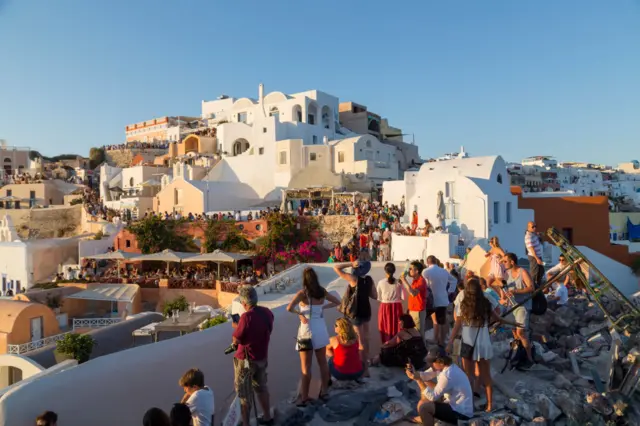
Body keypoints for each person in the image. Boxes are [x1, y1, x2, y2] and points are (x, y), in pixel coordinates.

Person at [448, 278, 519, 413]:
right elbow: (498, 319)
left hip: (468, 342)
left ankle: (470, 405)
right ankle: (490, 405)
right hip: (483, 342)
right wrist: (514, 324)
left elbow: (457, 324)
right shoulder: (485, 303)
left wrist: (450, 342)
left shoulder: (463, 304)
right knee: (486, 376)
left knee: (467, 376)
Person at [286, 268, 341, 406]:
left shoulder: (302, 294)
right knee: (323, 363)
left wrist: (299, 313)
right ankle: (325, 392)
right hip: (320, 330)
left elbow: (289, 308)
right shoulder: (322, 292)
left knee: (306, 367)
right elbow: (337, 302)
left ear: (305, 279)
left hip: (306, 331)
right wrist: (323, 307)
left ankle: (304, 397)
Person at [232, 285, 275, 426]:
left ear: (244, 303)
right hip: (262, 357)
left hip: (246, 360)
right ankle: (268, 417)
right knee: (262, 387)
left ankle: (246, 424)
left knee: (244, 393)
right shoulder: (267, 313)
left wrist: (237, 326)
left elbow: (236, 339)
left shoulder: (246, 317)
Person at [405, 348, 473, 425]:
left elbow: (432, 397)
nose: (429, 365)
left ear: (440, 362)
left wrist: (418, 380)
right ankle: (426, 418)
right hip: (453, 404)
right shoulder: (445, 367)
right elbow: (425, 376)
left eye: (431, 362)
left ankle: (428, 420)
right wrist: (414, 373)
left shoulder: (447, 375)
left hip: (461, 414)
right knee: (423, 399)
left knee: (424, 407)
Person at [333, 260, 377, 377]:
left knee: (360, 343)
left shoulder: (353, 279)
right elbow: (375, 296)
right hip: (366, 311)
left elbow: (336, 267)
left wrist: (350, 264)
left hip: (355, 313)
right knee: (366, 339)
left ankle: (364, 370)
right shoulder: (369, 280)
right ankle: (366, 365)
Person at [502, 253, 535, 367]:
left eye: (505, 261)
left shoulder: (523, 272)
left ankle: (529, 357)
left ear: (512, 262)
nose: (503, 263)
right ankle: (519, 353)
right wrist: (504, 298)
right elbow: (505, 289)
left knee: (521, 332)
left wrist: (516, 291)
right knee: (514, 332)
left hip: (523, 305)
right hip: (511, 306)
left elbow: (531, 288)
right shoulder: (507, 274)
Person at [422, 256, 457, 347]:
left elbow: (424, 285)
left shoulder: (426, 272)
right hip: (443, 299)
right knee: (443, 320)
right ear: (436, 261)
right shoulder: (444, 271)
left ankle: (436, 339)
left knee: (435, 320)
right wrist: (450, 291)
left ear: (427, 262)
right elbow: (454, 280)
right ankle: (442, 340)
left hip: (432, 299)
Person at [399, 261, 427, 342]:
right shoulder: (415, 280)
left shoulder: (421, 281)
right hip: (414, 309)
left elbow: (413, 293)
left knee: (418, 334)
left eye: (411, 269)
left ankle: (422, 352)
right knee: (415, 333)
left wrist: (404, 280)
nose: (409, 270)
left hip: (418, 310)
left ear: (417, 271)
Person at [376, 263, 404, 343]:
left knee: (385, 327)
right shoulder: (399, 282)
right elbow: (403, 297)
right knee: (397, 327)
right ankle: (397, 346)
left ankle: (386, 347)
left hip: (385, 306)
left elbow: (378, 298)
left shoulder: (381, 282)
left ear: (385, 271)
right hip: (397, 306)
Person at [524, 221, 545, 287]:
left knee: (541, 271)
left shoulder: (533, 234)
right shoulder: (528, 236)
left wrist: (540, 235)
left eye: (535, 226)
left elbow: (542, 238)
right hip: (534, 257)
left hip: (538, 256)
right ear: (528, 227)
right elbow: (531, 248)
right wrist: (537, 258)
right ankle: (533, 287)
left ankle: (538, 286)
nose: (534, 228)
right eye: (532, 227)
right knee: (535, 273)